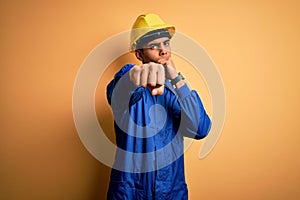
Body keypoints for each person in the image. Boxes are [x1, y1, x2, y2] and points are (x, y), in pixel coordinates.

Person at [106, 13, 211, 200]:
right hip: (130, 192)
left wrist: (176, 79)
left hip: (171, 192)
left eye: (166, 43)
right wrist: (132, 77)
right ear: (139, 54)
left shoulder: (177, 92)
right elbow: (118, 92)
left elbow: (200, 129)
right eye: (154, 46)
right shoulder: (128, 83)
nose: (163, 51)